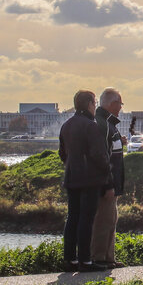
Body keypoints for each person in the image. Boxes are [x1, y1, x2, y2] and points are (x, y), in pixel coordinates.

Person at [58, 89, 111, 271]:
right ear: (89, 104)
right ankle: (85, 260)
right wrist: (106, 170)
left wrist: (72, 165)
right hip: (90, 179)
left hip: (72, 176)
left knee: (72, 217)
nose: (95, 106)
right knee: (86, 219)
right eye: (94, 103)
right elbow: (99, 154)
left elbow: (62, 153)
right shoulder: (91, 126)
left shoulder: (67, 125)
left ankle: (70, 259)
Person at [91, 87, 127, 268]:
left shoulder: (108, 124)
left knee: (111, 219)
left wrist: (120, 140)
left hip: (112, 182)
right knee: (103, 221)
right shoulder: (103, 125)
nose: (121, 107)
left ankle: (108, 257)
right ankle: (99, 257)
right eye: (120, 104)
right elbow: (103, 158)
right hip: (107, 184)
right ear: (112, 104)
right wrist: (108, 185)